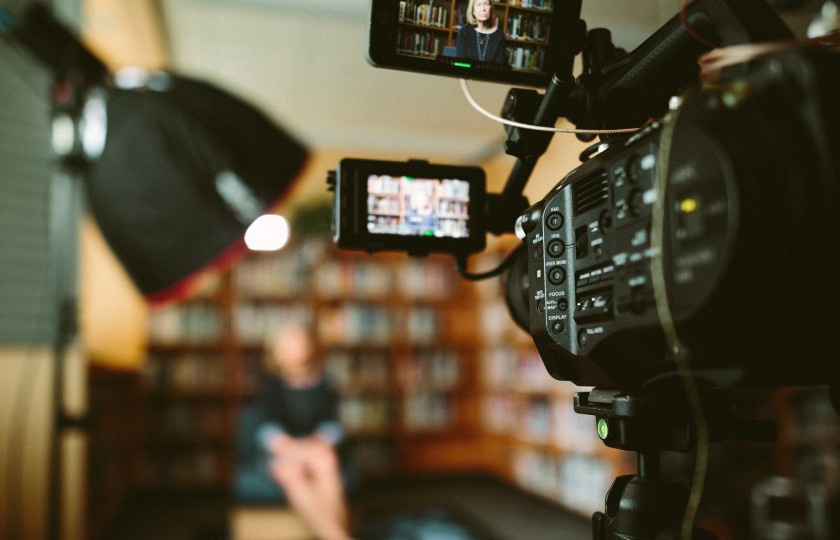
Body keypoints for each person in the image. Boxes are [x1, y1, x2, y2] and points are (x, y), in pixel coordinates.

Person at [241, 321, 352, 540]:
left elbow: (333, 424)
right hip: (283, 450)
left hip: (316, 448)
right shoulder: (270, 385)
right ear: (277, 353)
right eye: (288, 347)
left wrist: (316, 443)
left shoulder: (324, 383)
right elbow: (266, 428)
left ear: (308, 347)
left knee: (325, 461)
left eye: (298, 344)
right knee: (291, 472)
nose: (295, 351)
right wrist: (290, 447)